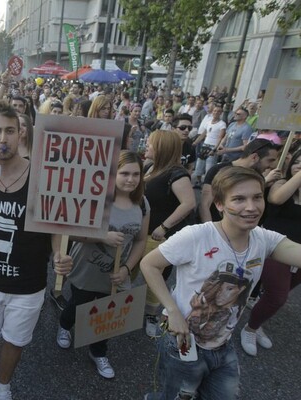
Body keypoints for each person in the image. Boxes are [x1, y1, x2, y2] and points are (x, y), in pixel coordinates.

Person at [140, 166, 301, 400]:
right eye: (239, 199)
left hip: (223, 346)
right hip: (183, 344)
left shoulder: (264, 239)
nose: (251, 207)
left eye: (257, 197)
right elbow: (149, 264)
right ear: (220, 205)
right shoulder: (196, 236)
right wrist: (172, 310)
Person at [0, 103, 72, 400]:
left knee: (15, 340)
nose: (3, 138)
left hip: (29, 283)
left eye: (9, 131)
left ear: (21, 135)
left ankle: (2, 384)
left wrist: (59, 254)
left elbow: (56, 224)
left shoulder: (43, 177)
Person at [56, 151, 150, 379]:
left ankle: (98, 351)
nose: (130, 179)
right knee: (80, 304)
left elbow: (140, 241)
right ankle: (64, 325)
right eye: (124, 173)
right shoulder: (96, 197)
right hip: (86, 268)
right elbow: (71, 232)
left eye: (136, 174)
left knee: (109, 315)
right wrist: (101, 236)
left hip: (117, 273)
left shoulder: (143, 204)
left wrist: (127, 269)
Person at [240, 148, 301, 356]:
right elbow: (276, 199)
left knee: (274, 294)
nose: (300, 166)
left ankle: (258, 314)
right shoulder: (281, 183)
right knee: (278, 297)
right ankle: (250, 328)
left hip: (299, 255)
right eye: (298, 162)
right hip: (275, 248)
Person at [142, 130, 196, 336]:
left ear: (163, 148)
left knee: (156, 277)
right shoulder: (150, 166)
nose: (146, 146)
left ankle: (151, 315)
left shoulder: (177, 173)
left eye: (150, 144)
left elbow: (189, 203)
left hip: (160, 237)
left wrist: (164, 226)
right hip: (141, 233)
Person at [199, 138, 280, 223]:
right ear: (254, 157)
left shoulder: (258, 176)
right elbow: (205, 205)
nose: (272, 166)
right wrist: (211, 231)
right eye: (270, 160)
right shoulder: (217, 170)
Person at [192, 103, 227, 187]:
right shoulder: (208, 122)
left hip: (212, 146)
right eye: (215, 111)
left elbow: (220, 137)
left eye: (218, 111)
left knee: (209, 167)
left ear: (221, 113)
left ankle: (206, 185)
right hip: (205, 145)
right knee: (199, 165)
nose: (216, 112)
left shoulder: (222, 124)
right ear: (212, 112)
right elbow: (203, 134)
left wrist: (215, 148)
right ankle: (199, 181)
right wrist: (195, 142)